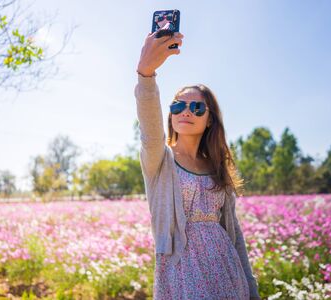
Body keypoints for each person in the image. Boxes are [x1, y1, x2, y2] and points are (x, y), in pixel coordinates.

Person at [135, 28, 261, 300]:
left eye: (197, 108)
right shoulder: (159, 160)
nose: (187, 112)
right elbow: (150, 130)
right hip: (181, 270)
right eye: (178, 106)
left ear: (210, 119)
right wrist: (146, 74)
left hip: (227, 271)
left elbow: (235, 234)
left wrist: (251, 289)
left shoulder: (217, 166)